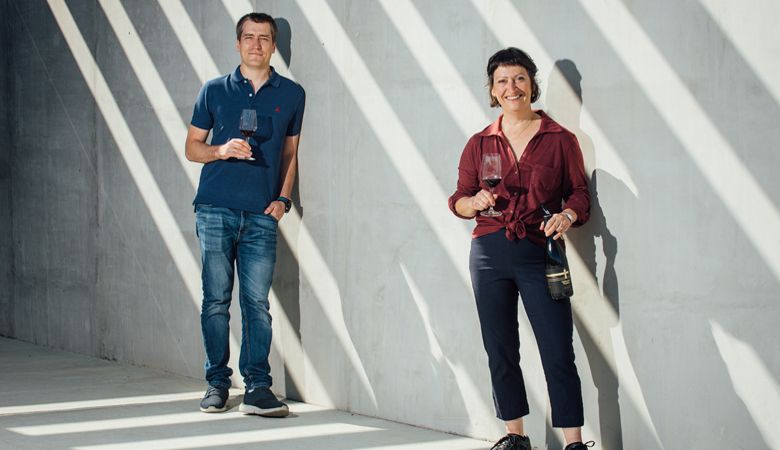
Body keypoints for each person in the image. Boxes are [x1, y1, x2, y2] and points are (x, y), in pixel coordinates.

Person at [448, 47, 593, 450]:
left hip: (539, 250)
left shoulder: (560, 139)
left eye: (519, 79)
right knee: (500, 347)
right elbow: (457, 199)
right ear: (493, 91)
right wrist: (473, 203)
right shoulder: (480, 143)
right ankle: (516, 437)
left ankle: (574, 443)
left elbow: (580, 194)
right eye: (502, 81)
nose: (511, 88)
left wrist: (567, 215)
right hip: (489, 252)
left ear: (532, 85)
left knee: (557, 348)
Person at [185, 12, 304, 417]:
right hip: (215, 206)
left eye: (264, 38)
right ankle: (217, 383)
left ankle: (257, 387)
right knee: (216, 300)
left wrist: (282, 201)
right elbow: (192, 148)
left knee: (257, 303)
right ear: (238, 44)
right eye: (249, 37)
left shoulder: (291, 93)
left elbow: (290, 153)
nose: (256, 44)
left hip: (260, 214)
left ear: (273, 46)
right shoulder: (214, 90)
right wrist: (221, 150)